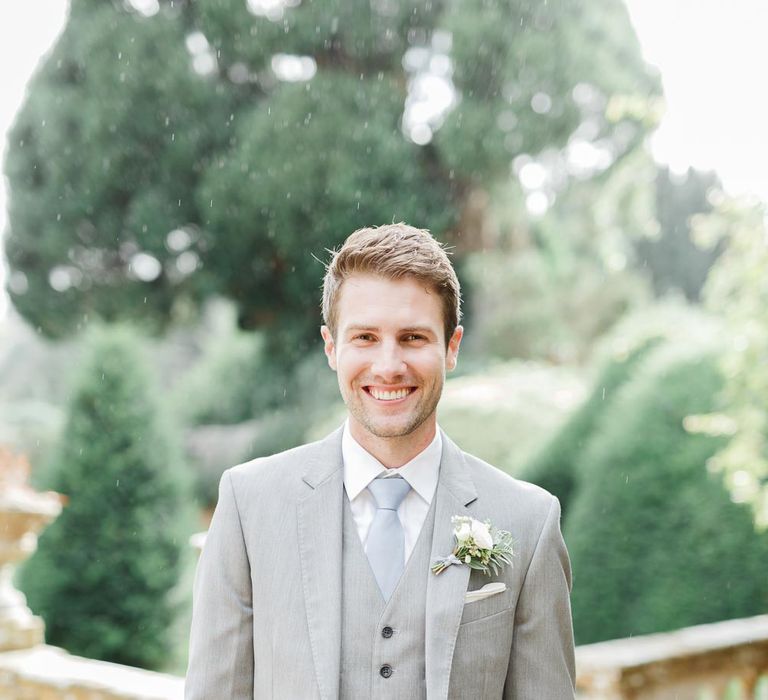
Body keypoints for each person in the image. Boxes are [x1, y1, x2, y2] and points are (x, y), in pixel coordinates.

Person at [185, 223, 575, 699]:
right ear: (332, 347)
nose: (388, 365)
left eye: (412, 337)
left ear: (451, 347)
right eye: (365, 337)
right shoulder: (249, 506)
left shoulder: (529, 522)